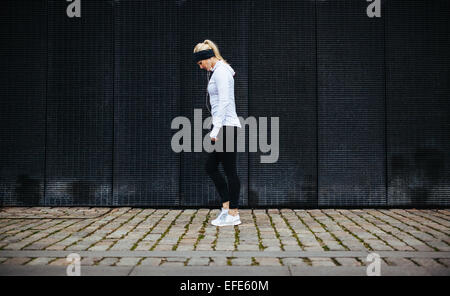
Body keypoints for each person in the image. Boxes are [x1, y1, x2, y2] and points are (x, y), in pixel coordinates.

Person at [193, 39, 242, 226]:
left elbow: (224, 103)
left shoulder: (221, 72)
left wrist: (215, 129)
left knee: (230, 171)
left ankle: (233, 213)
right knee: (211, 167)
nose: (200, 67)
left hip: (226, 127)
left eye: (200, 63)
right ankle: (227, 207)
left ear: (207, 57)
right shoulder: (218, 71)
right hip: (224, 126)